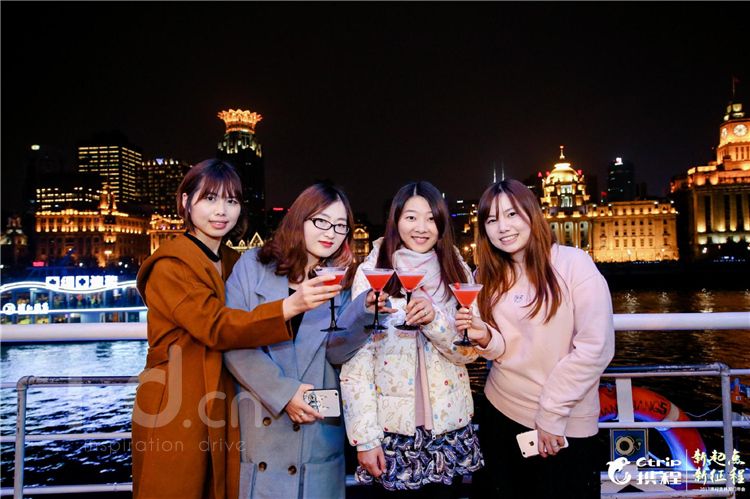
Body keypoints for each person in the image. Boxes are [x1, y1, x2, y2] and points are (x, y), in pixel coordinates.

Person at [132, 159, 302, 499]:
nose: (221, 210)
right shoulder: (170, 264)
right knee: (175, 488)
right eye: (210, 199)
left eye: (231, 201)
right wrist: (290, 306)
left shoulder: (232, 262)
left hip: (223, 398)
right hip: (177, 401)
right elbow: (215, 325)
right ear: (185, 202)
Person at [223, 183, 387, 499]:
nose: (330, 233)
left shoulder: (341, 282)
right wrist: (284, 393)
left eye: (340, 226)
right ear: (300, 218)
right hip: (261, 426)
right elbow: (233, 340)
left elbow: (336, 353)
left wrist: (364, 314)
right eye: (321, 221)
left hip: (315, 435)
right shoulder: (252, 267)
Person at [455, 179, 615, 499]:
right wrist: (485, 337)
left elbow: (596, 348)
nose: (503, 227)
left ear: (532, 214)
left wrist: (551, 414)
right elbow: (500, 348)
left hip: (563, 423)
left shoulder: (573, 263)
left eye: (512, 214)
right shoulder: (484, 276)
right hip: (500, 411)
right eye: (492, 220)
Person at [340, 181, 484, 498]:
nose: (421, 227)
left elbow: (469, 353)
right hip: (391, 430)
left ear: (442, 224)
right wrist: (365, 439)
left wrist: (436, 321)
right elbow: (356, 362)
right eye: (411, 217)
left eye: (431, 218)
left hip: (448, 427)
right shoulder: (373, 272)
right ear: (396, 220)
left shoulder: (456, 271)